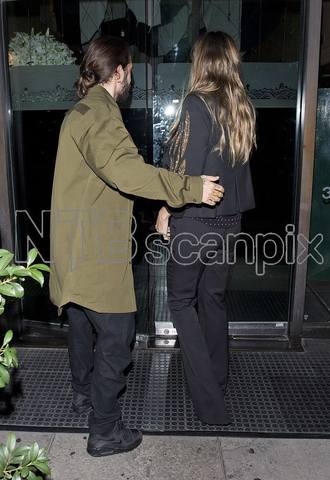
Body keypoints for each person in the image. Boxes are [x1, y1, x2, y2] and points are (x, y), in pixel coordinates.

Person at [49, 35, 224, 457]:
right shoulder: (100, 115)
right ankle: (105, 430)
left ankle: (83, 395)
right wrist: (189, 188)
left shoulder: (80, 111)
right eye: (130, 71)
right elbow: (127, 172)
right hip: (95, 256)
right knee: (117, 336)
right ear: (121, 71)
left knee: (81, 326)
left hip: (72, 251)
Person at [156, 31, 256, 425]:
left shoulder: (197, 105)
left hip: (195, 222)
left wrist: (166, 208)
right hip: (230, 223)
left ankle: (211, 403)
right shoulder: (241, 106)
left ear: (202, 61)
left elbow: (186, 172)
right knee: (212, 300)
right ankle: (217, 379)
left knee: (181, 304)